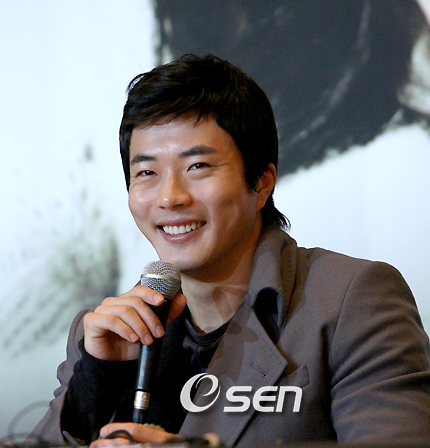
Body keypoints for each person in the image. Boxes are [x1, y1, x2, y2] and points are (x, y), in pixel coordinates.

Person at [31, 54, 430, 446]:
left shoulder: (349, 300)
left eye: (198, 166)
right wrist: (96, 380)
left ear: (261, 182)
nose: (170, 197)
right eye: (147, 172)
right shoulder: (109, 332)